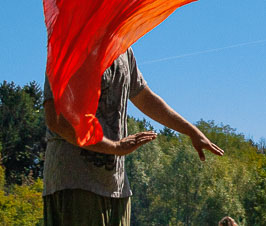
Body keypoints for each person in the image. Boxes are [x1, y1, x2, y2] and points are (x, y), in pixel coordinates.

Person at [43, 47, 224, 226]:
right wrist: (114, 147)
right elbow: (57, 119)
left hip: (116, 187)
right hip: (75, 184)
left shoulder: (123, 49)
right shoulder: (70, 42)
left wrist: (191, 131)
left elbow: (145, 97)